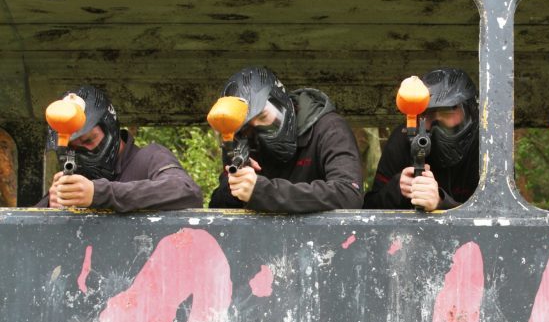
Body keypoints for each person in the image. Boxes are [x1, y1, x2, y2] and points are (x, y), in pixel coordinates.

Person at [209, 66, 363, 212]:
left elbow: (349, 193)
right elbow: (218, 212)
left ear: (282, 102)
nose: (259, 130)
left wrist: (263, 192)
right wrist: (235, 186)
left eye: (263, 116)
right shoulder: (244, 142)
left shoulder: (329, 128)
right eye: (249, 125)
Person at [37, 85, 202, 211]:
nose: (84, 152)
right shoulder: (77, 174)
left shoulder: (150, 157)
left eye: (88, 140)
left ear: (109, 128)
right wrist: (51, 205)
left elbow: (188, 192)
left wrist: (98, 193)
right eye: (74, 148)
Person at [363, 67, 479, 211]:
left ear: (470, 111)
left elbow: (499, 218)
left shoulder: (485, 147)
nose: (437, 121)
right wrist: (397, 188)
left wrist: (441, 203)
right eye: (428, 113)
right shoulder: (403, 140)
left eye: (447, 111)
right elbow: (369, 210)